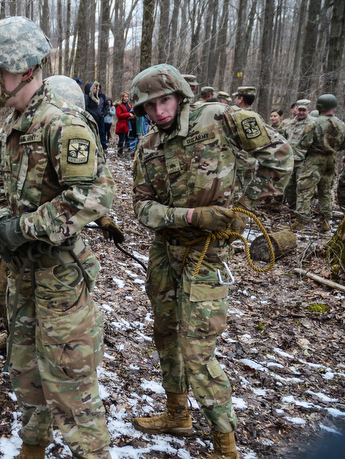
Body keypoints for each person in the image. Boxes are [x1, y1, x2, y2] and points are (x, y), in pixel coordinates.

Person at [0, 16, 116, 459]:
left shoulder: (62, 123)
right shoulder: (14, 125)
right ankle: (33, 448)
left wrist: (24, 228)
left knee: (72, 390)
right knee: (26, 374)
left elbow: (94, 196)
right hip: (23, 276)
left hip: (60, 280)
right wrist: (1, 220)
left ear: (27, 69)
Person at [130, 64, 291, 459]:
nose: (159, 112)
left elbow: (281, 156)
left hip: (209, 252)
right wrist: (185, 216)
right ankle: (177, 412)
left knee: (197, 348)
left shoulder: (219, 117)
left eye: (164, 101)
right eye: (149, 107)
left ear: (180, 95)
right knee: (165, 333)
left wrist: (243, 209)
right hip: (166, 250)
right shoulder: (148, 146)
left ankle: (225, 444)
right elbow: (141, 207)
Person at [0, 75, 88, 352]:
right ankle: (14, 337)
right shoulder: (8, 133)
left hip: (55, 248)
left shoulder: (70, 130)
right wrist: (6, 220)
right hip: (13, 242)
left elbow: (85, 190)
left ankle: (34, 347)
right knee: (4, 294)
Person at [294, 94, 345, 232]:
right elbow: (342, 145)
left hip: (314, 159)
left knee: (305, 189)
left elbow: (303, 143)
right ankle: (326, 222)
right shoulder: (341, 124)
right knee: (326, 191)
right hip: (331, 159)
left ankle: (299, 223)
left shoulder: (314, 123)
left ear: (319, 106)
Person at [281, 99, 315, 213]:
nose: (301, 112)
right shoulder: (289, 123)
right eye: (299, 110)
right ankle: (292, 210)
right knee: (289, 187)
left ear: (308, 110)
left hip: (304, 161)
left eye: (303, 110)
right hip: (289, 160)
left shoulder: (313, 124)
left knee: (302, 188)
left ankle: (301, 213)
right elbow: (283, 138)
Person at [84, 80, 110, 151]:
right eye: (94, 88)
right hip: (91, 118)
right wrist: (94, 114)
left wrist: (103, 114)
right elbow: (85, 108)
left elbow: (106, 106)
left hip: (99, 118)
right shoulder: (87, 97)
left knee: (101, 132)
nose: (96, 89)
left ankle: (102, 147)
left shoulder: (99, 96)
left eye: (97, 88)